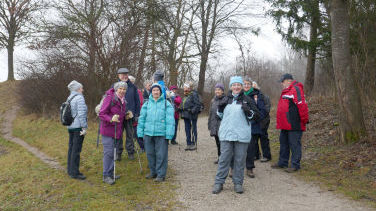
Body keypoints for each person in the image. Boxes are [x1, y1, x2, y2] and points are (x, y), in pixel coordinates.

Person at [212, 76, 260, 194]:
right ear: (231, 87)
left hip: (241, 135)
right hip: (226, 134)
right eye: (234, 85)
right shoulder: (225, 99)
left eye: (238, 85)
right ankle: (219, 182)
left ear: (241, 86)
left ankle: (238, 183)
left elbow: (256, 116)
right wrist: (220, 110)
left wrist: (249, 112)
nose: (236, 87)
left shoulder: (247, 99)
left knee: (239, 160)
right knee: (224, 159)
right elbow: (219, 116)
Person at [137, 83, 175, 182]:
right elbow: (142, 119)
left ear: (161, 92)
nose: (156, 92)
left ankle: (161, 174)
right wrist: (140, 132)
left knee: (161, 155)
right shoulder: (147, 104)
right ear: (151, 92)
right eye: (154, 90)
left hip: (161, 134)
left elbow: (170, 120)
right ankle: (153, 172)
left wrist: (169, 134)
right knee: (150, 154)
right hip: (148, 133)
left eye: (157, 90)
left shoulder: (167, 104)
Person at [271, 73, 309, 173]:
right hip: (285, 124)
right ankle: (282, 162)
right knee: (284, 143)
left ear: (288, 80)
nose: (281, 84)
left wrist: (304, 120)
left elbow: (302, 105)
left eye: (282, 82)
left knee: (294, 144)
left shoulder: (296, 89)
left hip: (294, 124)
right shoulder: (286, 91)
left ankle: (295, 165)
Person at [99, 81, 128, 185]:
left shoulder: (123, 101)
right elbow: (101, 114)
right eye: (120, 88)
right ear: (116, 89)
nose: (122, 91)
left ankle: (111, 173)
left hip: (117, 130)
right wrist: (111, 118)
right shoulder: (109, 98)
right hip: (108, 130)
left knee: (113, 152)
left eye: (124, 89)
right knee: (109, 153)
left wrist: (127, 115)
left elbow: (121, 114)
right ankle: (106, 175)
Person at [115, 68, 140, 161]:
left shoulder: (133, 87)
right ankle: (118, 153)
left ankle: (130, 152)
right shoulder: (114, 86)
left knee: (130, 135)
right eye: (122, 74)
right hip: (118, 116)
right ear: (119, 76)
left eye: (126, 74)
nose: (124, 76)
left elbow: (137, 101)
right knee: (118, 135)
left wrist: (137, 114)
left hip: (130, 116)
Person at [244, 77, 267, 178]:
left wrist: (256, 119)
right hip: (239, 126)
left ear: (251, 85)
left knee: (250, 148)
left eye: (248, 84)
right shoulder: (237, 95)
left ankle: (249, 168)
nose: (246, 86)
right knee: (237, 148)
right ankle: (235, 167)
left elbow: (262, 110)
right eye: (244, 84)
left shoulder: (257, 95)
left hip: (252, 126)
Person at [66, 80, 88, 180]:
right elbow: (81, 114)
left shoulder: (70, 97)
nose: (82, 90)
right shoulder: (79, 98)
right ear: (78, 89)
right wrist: (84, 127)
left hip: (70, 126)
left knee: (71, 148)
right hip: (78, 127)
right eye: (81, 88)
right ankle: (75, 173)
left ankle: (70, 170)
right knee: (76, 150)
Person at [252, 81, 272, 162]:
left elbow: (267, 108)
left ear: (258, 87)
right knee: (254, 139)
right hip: (254, 121)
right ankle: (256, 155)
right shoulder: (250, 97)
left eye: (255, 87)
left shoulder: (264, 96)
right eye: (252, 87)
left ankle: (267, 156)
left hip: (264, 120)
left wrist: (260, 116)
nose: (254, 89)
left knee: (264, 138)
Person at [179, 81, 202, 151]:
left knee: (192, 129)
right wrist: (180, 109)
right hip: (186, 115)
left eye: (185, 86)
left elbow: (197, 104)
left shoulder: (194, 94)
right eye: (184, 87)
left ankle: (193, 143)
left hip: (192, 115)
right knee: (187, 129)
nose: (184, 88)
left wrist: (192, 110)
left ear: (189, 87)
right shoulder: (186, 95)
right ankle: (188, 143)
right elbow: (185, 105)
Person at [208, 83, 226, 164]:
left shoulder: (226, 100)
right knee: (217, 142)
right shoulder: (213, 100)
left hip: (222, 125)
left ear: (222, 91)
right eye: (216, 90)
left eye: (219, 89)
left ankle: (224, 158)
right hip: (214, 124)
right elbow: (210, 113)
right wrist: (209, 124)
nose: (217, 91)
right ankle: (219, 157)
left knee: (224, 143)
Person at [129, 75, 145, 152]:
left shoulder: (137, 91)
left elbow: (140, 103)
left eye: (131, 82)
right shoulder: (125, 90)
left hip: (136, 114)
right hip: (127, 115)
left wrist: (137, 114)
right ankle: (132, 148)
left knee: (137, 133)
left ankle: (143, 147)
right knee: (130, 134)